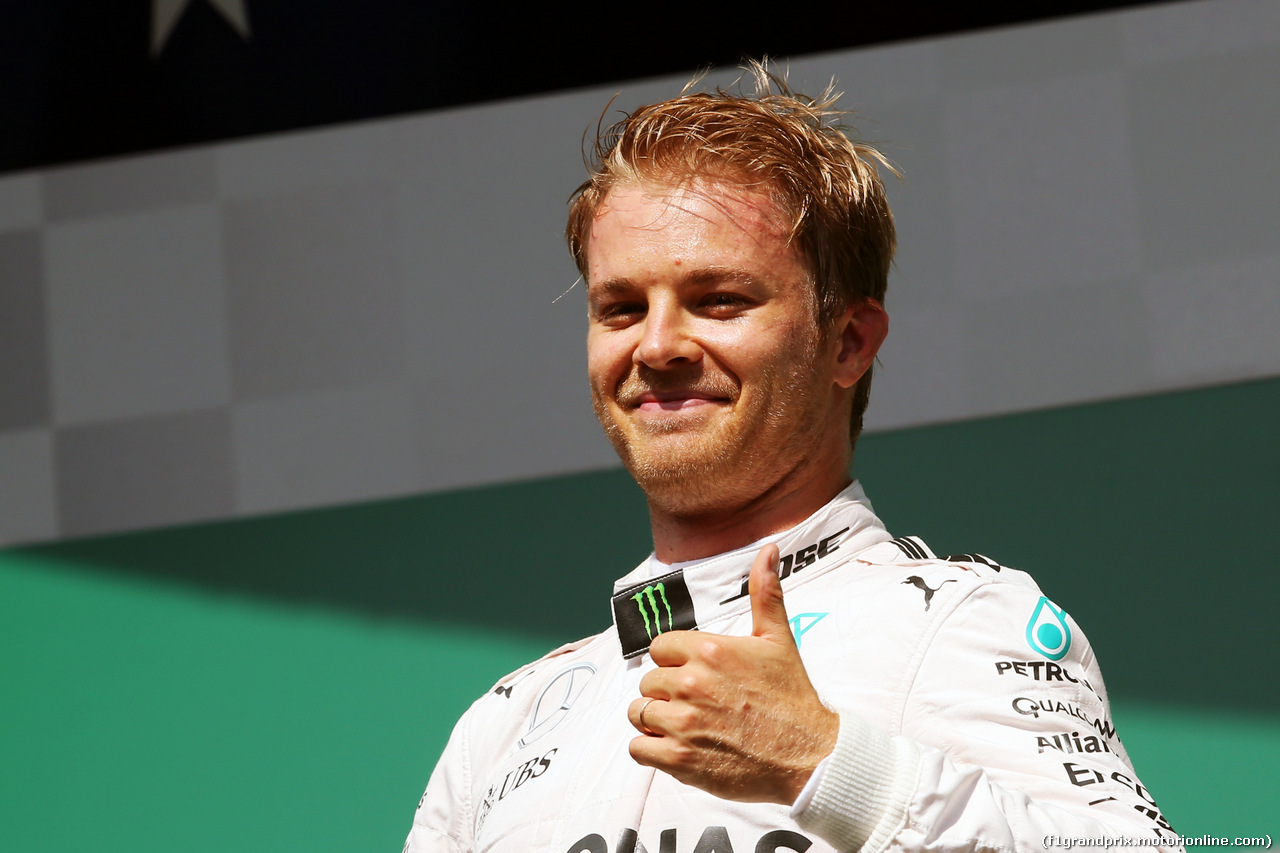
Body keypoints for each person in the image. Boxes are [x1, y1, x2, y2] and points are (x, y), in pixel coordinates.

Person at [403, 64, 1179, 853]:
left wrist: (827, 764)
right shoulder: (509, 720)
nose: (659, 344)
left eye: (720, 300)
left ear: (847, 342)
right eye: (622, 308)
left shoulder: (949, 623)